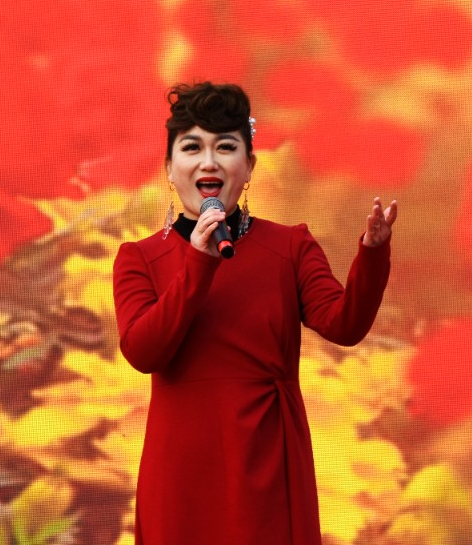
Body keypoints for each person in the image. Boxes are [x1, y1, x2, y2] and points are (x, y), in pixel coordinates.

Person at [112, 81, 398, 545]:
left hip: (268, 457)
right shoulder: (139, 258)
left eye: (226, 147)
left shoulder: (290, 246)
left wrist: (372, 253)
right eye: (192, 147)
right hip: (181, 468)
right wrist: (198, 264)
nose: (209, 162)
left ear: (248, 168)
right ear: (169, 168)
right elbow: (144, 352)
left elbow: (344, 325)